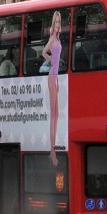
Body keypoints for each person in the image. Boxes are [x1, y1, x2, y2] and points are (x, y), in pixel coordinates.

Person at [43, 10, 62, 167]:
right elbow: (44, 52)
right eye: (56, 21)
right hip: (51, 76)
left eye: (59, 22)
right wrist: (51, 60)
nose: (57, 24)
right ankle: (52, 150)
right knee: (53, 115)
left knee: (57, 113)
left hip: (56, 77)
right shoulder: (52, 39)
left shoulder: (58, 39)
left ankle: (53, 148)